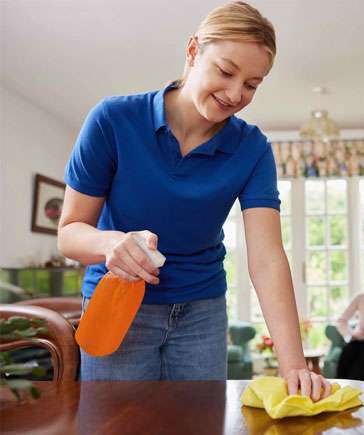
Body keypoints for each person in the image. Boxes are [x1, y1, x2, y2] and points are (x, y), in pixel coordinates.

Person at [58, 1, 331, 401]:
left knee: (198, 423)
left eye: (253, 84)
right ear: (192, 51)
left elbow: (267, 256)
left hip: (201, 312)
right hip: (118, 307)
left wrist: (293, 364)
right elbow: (69, 234)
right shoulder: (113, 120)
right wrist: (109, 243)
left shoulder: (251, 148)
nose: (236, 93)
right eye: (225, 71)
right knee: (115, 426)